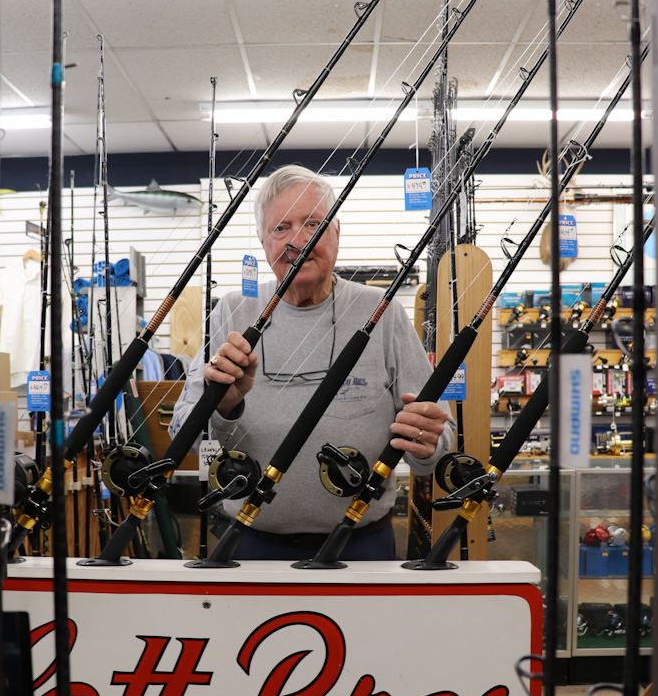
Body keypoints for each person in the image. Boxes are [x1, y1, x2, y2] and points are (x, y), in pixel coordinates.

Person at [170, 164, 454, 560]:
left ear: (337, 232)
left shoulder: (382, 312)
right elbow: (181, 433)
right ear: (263, 241)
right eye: (280, 228)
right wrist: (223, 407)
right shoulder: (231, 312)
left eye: (313, 224)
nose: (297, 240)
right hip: (249, 547)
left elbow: (439, 443)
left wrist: (425, 445)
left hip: (362, 548)